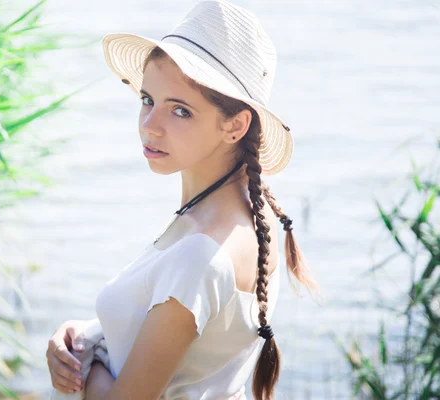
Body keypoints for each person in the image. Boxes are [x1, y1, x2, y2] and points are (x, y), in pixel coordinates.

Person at [46, 0, 320, 399]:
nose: (150, 126)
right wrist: (82, 336)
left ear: (235, 125)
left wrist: (82, 371)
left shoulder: (202, 252)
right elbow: (186, 348)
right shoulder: (243, 216)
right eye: (147, 100)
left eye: (180, 111)